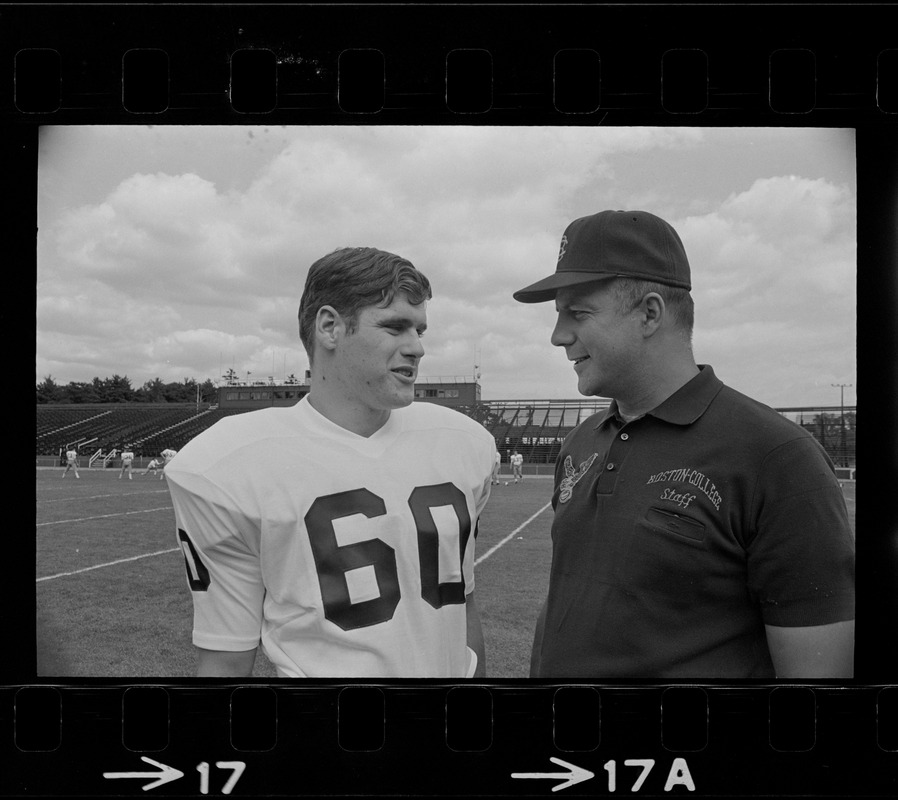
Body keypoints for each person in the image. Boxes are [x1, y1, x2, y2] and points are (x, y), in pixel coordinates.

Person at [513, 209, 855, 680]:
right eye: (558, 316)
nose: (558, 336)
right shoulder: (581, 442)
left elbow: (818, 678)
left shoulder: (777, 457)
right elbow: (564, 599)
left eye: (578, 313)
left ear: (650, 313)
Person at [166, 247, 495, 678]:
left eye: (419, 330)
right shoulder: (226, 465)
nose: (417, 347)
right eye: (395, 327)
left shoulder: (465, 443)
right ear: (329, 327)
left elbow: (462, 604)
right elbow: (226, 657)